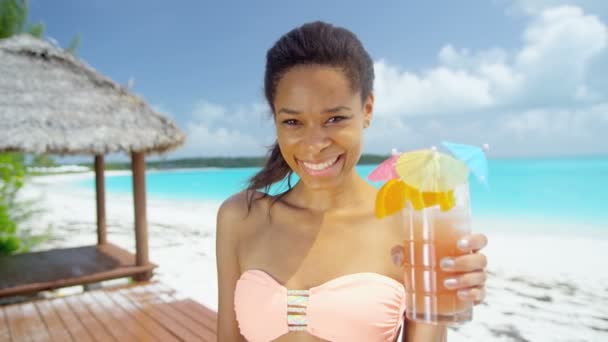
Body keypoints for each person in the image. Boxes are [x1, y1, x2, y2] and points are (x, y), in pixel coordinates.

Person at [216, 21, 488, 342]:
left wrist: (444, 295)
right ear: (275, 120)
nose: (314, 144)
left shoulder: (409, 223)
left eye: (334, 119)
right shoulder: (240, 218)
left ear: (367, 109)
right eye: (293, 121)